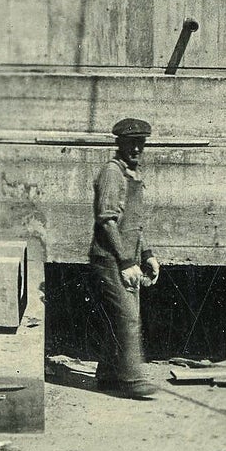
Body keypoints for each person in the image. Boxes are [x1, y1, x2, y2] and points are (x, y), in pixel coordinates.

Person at [90, 115, 158, 399]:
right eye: (131, 143)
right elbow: (107, 221)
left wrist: (148, 254)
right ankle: (131, 380)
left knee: (121, 317)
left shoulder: (132, 175)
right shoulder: (112, 173)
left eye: (141, 143)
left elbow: (135, 223)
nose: (137, 149)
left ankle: (107, 374)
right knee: (128, 318)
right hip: (109, 258)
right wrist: (126, 261)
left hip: (128, 257)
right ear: (120, 143)